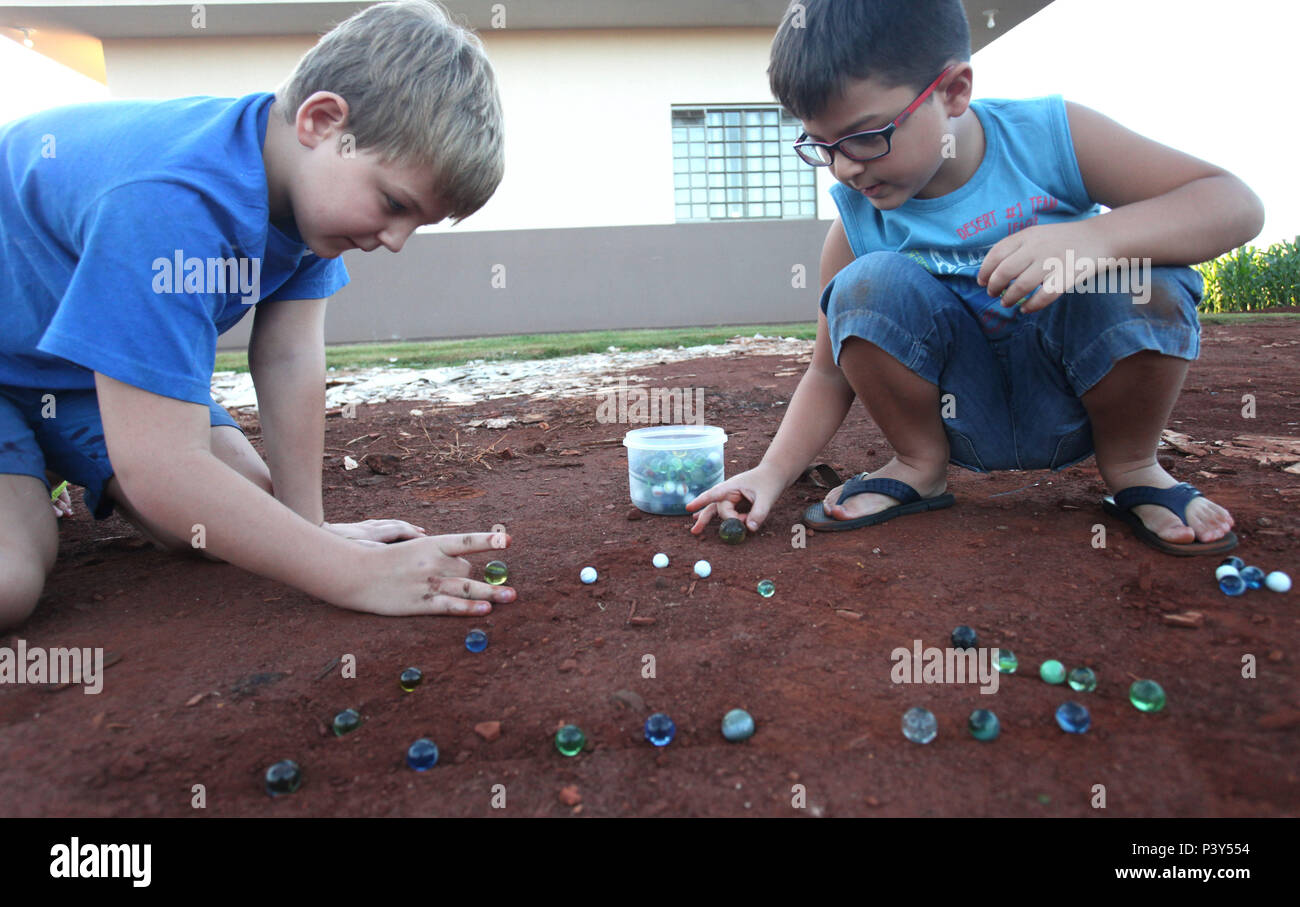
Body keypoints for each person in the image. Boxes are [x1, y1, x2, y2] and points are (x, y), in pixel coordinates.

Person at [0, 0, 515, 630]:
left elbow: (288, 356)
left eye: (418, 223)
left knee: (241, 513)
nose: (396, 240)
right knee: (11, 582)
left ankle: (45, 451)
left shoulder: (305, 196)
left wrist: (312, 530)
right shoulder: (169, 202)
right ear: (322, 121)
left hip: (76, 374)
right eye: (393, 204)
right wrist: (348, 572)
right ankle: (30, 463)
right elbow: (160, 465)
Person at [689, 0, 1262, 556]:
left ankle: (1134, 468)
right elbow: (827, 374)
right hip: (960, 417)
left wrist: (1094, 240)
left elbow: (1234, 203)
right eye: (822, 145)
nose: (845, 167)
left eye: (866, 136)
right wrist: (772, 472)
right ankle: (919, 468)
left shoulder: (1049, 138)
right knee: (866, 284)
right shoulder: (858, 222)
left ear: (954, 90)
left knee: (1144, 275)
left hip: (1073, 397)